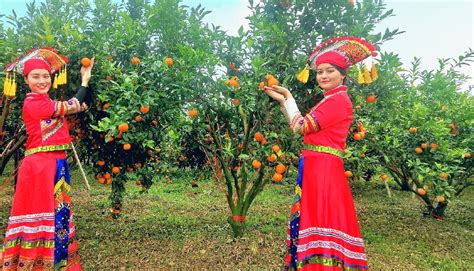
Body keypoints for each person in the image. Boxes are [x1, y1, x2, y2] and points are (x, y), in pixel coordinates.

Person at [264, 36, 377, 270]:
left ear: (343, 74)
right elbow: (303, 127)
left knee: (322, 216)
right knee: (318, 217)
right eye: (320, 72)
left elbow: (301, 127)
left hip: (323, 169)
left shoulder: (337, 102)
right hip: (317, 165)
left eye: (329, 71)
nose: (323, 76)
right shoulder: (330, 100)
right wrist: (286, 100)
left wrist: (289, 99)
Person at [1, 48, 93, 270]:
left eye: (45, 76)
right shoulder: (34, 104)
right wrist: (85, 80)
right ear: (25, 79)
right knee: (41, 214)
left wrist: (80, 98)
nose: (42, 81)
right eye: (35, 76)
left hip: (55, 165)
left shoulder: (47, 104)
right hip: (40, 168)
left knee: (57, 214)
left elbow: (76, 107)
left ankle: (53, 261)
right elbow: (72, 104)